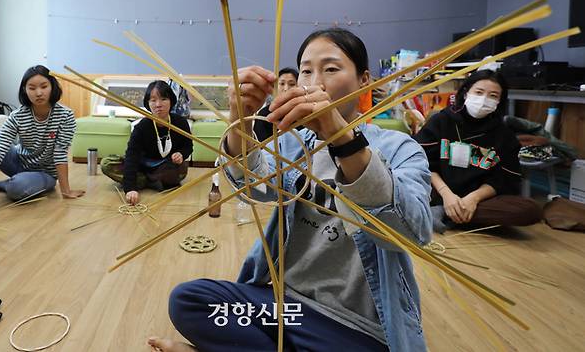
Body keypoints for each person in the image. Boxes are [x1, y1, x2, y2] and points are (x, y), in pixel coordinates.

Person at [148, 28, 432, 352]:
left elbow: (413, 231)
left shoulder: (398, 148)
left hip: (353, 326)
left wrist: (343, 139)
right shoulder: (295, 144)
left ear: (364, 80)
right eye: (307, 71)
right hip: (286, 310)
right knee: (190, 301)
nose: (316, 81)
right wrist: (240, 119)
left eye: (331, 68)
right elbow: (252, 186)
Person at [413, 70, 543, 233]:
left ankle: (444, 214)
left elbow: (505, 179)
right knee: (406, 187)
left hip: (478, 200)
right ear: (466, 93)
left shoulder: (504, 135)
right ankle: (447, 212)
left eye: (493, 96)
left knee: (530, 210)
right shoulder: (442, 121)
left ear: (500, 101)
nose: (484, 100)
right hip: (437, 191)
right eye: (479, 92)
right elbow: (421, 162)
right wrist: (446, 195)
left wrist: (473, 199)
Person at [0, 65, 84, 219]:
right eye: (32, 88)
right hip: (17, 161)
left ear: (52, 87)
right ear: (24, 91)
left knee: (17, 188)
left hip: (44, 173)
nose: (38, 93)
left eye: (44, 86)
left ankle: (0, 185)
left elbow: (60, 155)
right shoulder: (18, 115)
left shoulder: (66, 116)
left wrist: (66, 191)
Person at [101, 80, 192, 205]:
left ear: (171, 101)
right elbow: (132, 157)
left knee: (179, 171)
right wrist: (130, 189)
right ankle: (150, 181)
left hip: (165, 166)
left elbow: (188, 146)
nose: (158, 104)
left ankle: (147, 181)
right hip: (142, 166)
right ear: (148, 103)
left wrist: (181, 154)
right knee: (107, 164)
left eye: (163, 99)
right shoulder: (142, 127)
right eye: (153, 100)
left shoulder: (180, 123)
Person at [252, 67, 299, 142]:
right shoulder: (264, 114)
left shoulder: (304, 113)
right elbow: (259, 147)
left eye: (292, 84)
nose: (286, 88)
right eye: (282, 84)